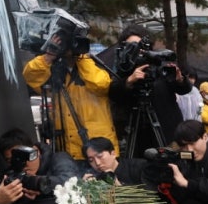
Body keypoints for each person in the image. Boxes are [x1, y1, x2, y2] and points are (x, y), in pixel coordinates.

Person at [22, 36, 119, 161]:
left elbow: (101, 84)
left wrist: (82, 57)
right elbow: (30, 77)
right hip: (66, 149)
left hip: (98, 151)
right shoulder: (54, 71)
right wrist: (48, 56)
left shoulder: (93, 67)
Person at [108, 24, 192, 157]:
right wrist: (129, 81)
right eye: (131, 45)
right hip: (135, 135)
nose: (137, 49)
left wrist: (180, 80)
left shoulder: (159, 64)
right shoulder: (122, 70)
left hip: (166, 130)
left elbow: (185, 89)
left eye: (140, 45)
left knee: (171, 165)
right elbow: (113, 93)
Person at [0, 128, 79, 204]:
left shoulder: (59, 158)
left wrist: (39, 184)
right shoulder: (12, 173)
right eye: (12, 160)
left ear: (34, 150)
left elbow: (72, 182)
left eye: (23, 157)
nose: (23, 164)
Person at [81, 137, 147, 186]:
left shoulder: (140, 166)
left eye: (100, 156)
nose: (97, 163)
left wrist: (118, 186)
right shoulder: (96, 179)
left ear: (113, 153)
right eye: (91, 160)